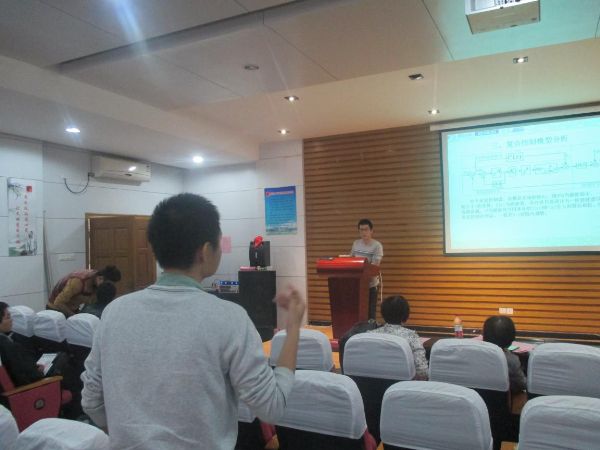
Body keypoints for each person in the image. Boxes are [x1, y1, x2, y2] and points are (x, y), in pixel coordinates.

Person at [81, 193, 305, 450]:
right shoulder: (229, 318)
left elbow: (91, 401)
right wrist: (293, 328)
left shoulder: (114, 312)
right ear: (206, 251)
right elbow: (271, 407)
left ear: (155, 248)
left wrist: (131, 434)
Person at [368, 295, 428, 380]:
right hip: (403, 386)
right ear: (405, 314)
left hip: (371, 384)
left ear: (383, 313)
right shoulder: (411, 336)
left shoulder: (370, 335)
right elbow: (422, 371)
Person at [47, 265, 121, 317]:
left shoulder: (96, 281)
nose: (106, 287)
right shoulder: (78, 282)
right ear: (100, 278)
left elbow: (90, 302)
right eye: (106, 284)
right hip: (56, 310)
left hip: (72, 309)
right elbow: (58, 302)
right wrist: (75, 317)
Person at [0, 302, 43, 386]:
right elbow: (23, 377)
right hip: (25, 390)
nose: (11, 320)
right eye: (8, 317)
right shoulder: (8, 346)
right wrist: (37, 371)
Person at [483, 315, 527, 392]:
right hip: (503, 398)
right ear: (511, 338)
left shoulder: (477, 354)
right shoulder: (511, 359)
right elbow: (522, 384)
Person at [350, 218, 383, 320]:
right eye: (361, 230)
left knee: (370, 313)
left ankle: (370, 328)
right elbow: (351, 260)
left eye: (366, 229)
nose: (363, 232)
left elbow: (375, 265)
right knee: (356, 312)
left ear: (371, 231)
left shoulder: (377, 246)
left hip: (370, 285)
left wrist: (362, 268)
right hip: (357, 284)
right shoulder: (356, 243)